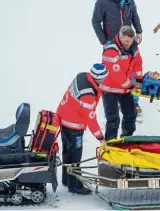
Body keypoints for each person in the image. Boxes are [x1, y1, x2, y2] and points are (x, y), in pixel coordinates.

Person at [56, 63, 108, 194]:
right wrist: (100, 137)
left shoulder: (83, 76)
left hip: (64, 118)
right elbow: (91, 119)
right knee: (75, 156)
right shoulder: (88, 96)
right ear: (98, 78)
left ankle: (66, 179)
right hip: (74, 126)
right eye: (104, 78)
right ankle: (75, 186)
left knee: (67, 152)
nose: (105, 80)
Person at [100, 26, 143, 140]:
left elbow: (138, 63)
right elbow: (115, 72)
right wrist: (129, 85)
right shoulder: (111, 50)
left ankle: (126, 139)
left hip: (125, 88)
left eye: (130, 41)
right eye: (126, 41)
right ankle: (110, 144)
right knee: (113, 119)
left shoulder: (134, 47)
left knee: (131, 114)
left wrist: (138, 79)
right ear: (120, 37)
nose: (128, 44)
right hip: (109, 89)